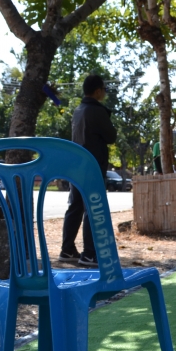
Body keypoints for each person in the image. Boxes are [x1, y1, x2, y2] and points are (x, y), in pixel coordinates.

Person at [60, 75, 117, 267]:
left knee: (75, 206)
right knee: (92, 208)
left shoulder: (78, 110)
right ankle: (89, 254)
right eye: (104, 90)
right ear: (98, 91)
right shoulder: (97, 111)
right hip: (92, 166)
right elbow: (111, 137)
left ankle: (67, 249)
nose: (105, 93)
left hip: (76, 165)